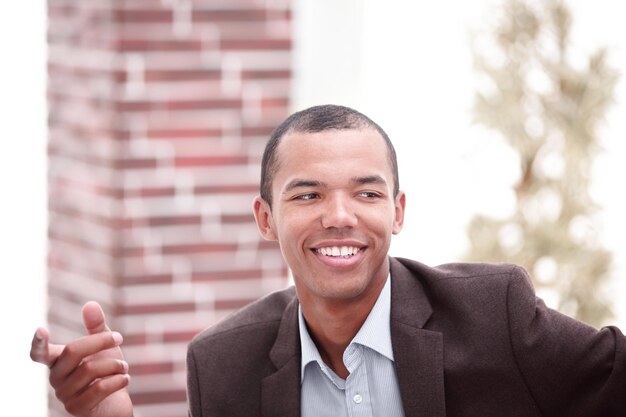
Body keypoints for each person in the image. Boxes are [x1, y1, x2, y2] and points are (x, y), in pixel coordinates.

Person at [31, 104, 626, 417]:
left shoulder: (495, 314)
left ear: (397, 212)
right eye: (308, 194)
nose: (339, 216)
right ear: (266, 219)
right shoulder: (221, 367)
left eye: (366, 193)